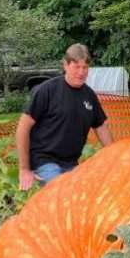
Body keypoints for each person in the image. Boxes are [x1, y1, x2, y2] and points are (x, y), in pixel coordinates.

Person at [16, 43, 113, 189]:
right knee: (62, 192)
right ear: (65, 65)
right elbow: (23, 127)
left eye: (85, 68)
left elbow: (101, 127)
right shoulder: (47, 90)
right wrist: (24, 169)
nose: (81, 72)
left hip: (71, 163)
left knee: (87, 192)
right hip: (44, 161)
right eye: (76, 67)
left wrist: (117, 157)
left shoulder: (89, 95)